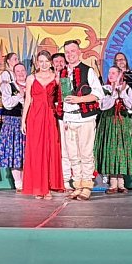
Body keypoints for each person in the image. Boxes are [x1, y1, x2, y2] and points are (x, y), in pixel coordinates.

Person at [59, 40, 104, 201]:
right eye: (67, 52)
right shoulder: (63, 73)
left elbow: (98, 94)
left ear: (79, 52)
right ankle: (77, 184)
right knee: (72, 154)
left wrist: (80, 100)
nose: (70, 54)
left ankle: (87, 185)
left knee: (85, 153)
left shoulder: (88, 71)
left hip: (85, 117)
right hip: (68, 117)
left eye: (73, 51)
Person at [22, 50, 65, 199]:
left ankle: (48, 187)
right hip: (35, 116)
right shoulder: (31, 78)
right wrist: (23, 120)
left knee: (50, 150)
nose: (44, 64)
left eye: (46, 61)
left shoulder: (56, 77)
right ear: (37, 63)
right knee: (36, 151)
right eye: (41, 61)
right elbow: (28, 100)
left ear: (51, 62)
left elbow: (62, 97)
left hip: (50, 116)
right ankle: (38, 187)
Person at [94, 66, 132, 194]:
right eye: (109, 73)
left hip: (123, 122)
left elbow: (131, 105)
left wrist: (121, 92)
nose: (111, 75)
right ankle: (112, 183)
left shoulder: (127, 89)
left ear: (120, 75)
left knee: (122, 150)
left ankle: (121, 183)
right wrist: (114, 93)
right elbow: (103, 106)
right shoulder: (105, 89)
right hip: (109, 121)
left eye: (114, 73)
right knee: (110, 150)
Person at [0, 63, 27, 192]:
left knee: (26, 153)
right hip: (13, 122)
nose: (21, 73)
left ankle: (27, 181)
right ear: (13, 73)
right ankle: (18, 183)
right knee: (15, 152)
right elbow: (7, 104)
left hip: (28, 122)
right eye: (17, 71)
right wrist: (19, 96)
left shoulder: (30, 85)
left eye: (22, 70)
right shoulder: (9, 86)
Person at [51, 52, 72, 190]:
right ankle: (57, 178)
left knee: (68, 148)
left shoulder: (68, 76)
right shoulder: (48, 77)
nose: (59, 64)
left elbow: (67, 95)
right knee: (58, 148)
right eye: (56, 62)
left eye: (61, 61)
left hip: (66, 115)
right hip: (51, 116)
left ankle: (68, 179)